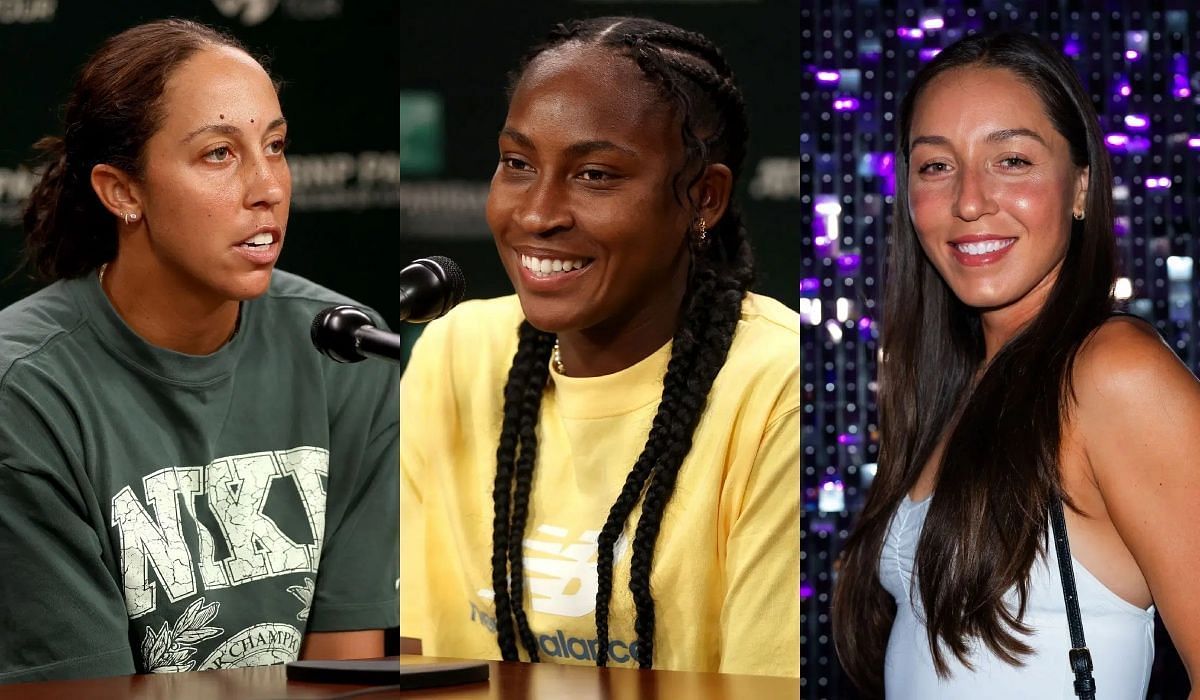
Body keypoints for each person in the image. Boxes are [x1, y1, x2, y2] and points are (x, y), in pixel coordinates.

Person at [398, 17, 799, 677]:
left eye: (594, 175)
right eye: (518, 164)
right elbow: (409, 658)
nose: (536, 213)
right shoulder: (454, 354)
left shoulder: (779, 385)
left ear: (704, 198)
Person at [0, 20, 398, 682]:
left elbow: (346, 676)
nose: (266, 186)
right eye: (220, 154)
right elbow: (79, 690)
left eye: (275, 147)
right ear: (122, 191)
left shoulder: (342, 347)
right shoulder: (26, 390)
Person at [832, 32, 1200, 699]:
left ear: (1081, 186)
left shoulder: (1113, 373)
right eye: (935, 166)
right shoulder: (954, 388)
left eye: (1012, 160)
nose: (970, 201)